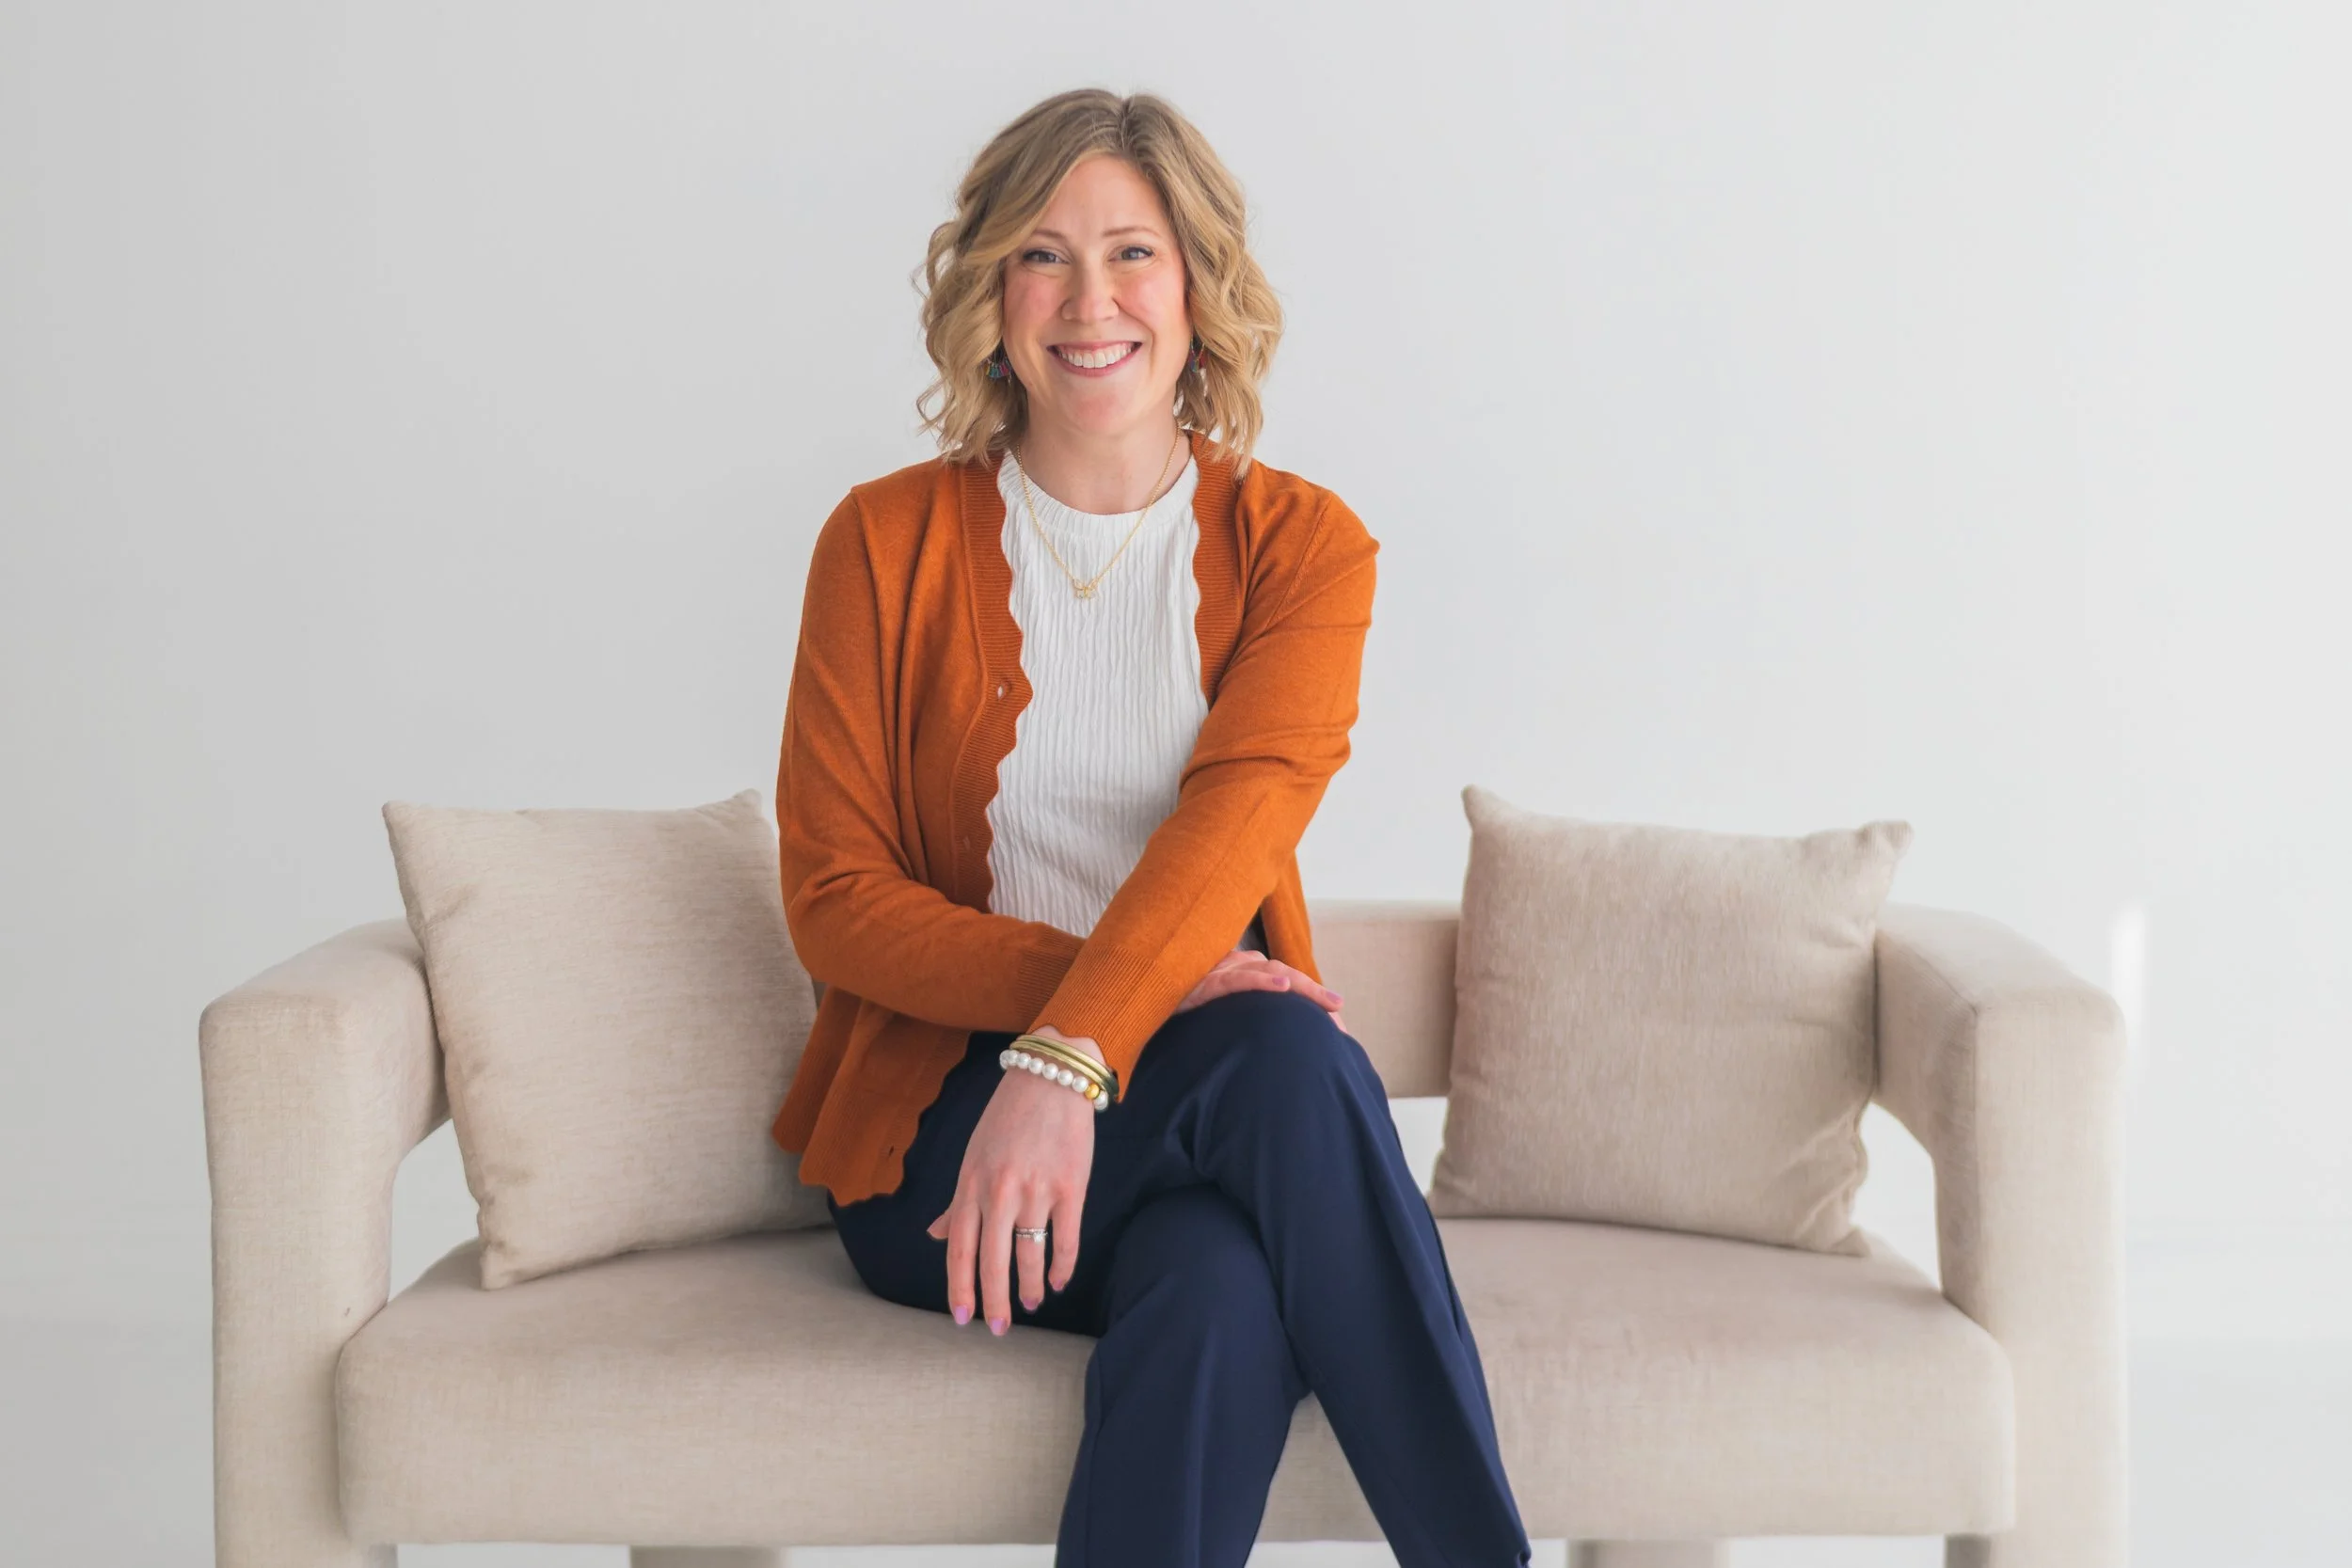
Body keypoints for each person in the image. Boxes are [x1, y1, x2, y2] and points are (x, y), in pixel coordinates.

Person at [767, 87, 1531, 1568]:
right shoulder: (880, 542)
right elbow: (835, 898)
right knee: (1286, 1052)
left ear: (1197, 288)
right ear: (992, 291)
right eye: (1042, 256)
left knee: (1224, 1284)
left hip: (1198, 1106)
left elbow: (1237, 824)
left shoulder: (1305, 549)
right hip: (942, 1136)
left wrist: (1085, 1047)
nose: (1090, 301)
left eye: (1133, 253)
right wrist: (1084, 1028)